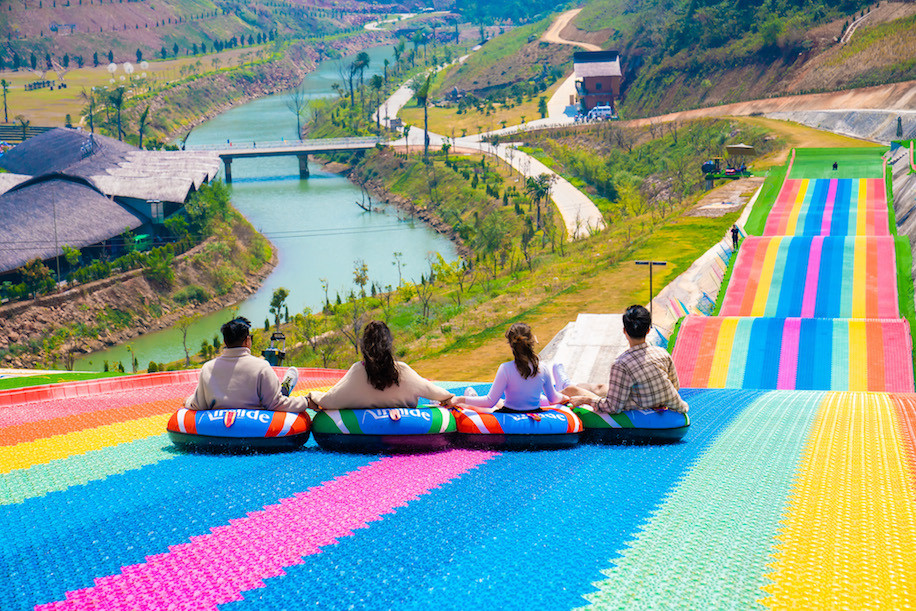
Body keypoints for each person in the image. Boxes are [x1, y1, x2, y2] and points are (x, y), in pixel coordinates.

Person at [567, 305, 688, 414]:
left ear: (624, 331)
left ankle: (563, 389)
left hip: (639, 411)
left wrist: (586, 400)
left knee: (573, 391)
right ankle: (568, 383)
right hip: (667, 405)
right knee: (601, 388)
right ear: (648, 330)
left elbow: (613, 407)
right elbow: (675, 386)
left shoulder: (621, 364)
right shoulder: (662, 353)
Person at [307, 321, 453, 410]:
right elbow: (438, 393)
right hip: (406, 432)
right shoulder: (402, 371)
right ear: (389, 345)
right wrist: (449, 397)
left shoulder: (358, 371)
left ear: (364, 346)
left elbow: (329, 400)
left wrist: (312, 395)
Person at [185, 317, 308, 412]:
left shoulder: (208, 368)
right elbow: (276, 403)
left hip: (218, 428)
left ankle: (285, 386)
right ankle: (286, 385)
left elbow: (198, 404)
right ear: (247, 340)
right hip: (256, 427)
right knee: (281, 393)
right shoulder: (261, 367)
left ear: (224, 341)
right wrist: (305, 401)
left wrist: (187, 401)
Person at [449, 323, 568, 412]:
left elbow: (490, 402)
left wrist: (459, 399)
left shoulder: (505, 368)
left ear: (511, 345)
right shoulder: (542, 368)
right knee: (501, 402)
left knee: (485, 408)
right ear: (532, 340)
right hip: (534, 412)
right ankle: (471, 398)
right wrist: (567, 397)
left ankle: (466, 399)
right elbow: (553, 398)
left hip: (509, 414)